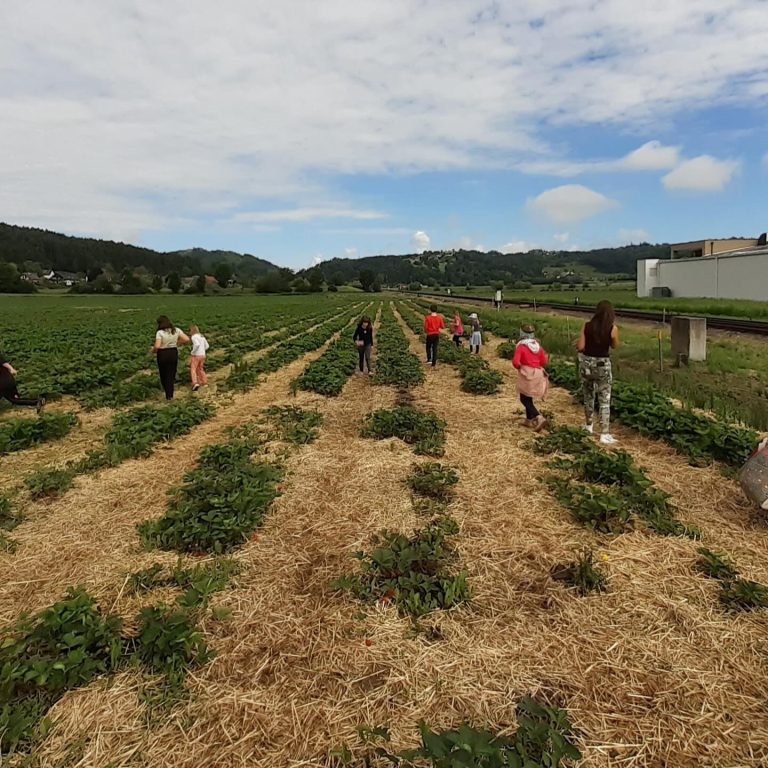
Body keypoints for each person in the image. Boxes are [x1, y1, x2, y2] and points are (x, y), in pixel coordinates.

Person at [577, 300, 620, 445]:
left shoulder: (587, 326)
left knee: (588, 396)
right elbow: (614, 345)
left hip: (587, 365)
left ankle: (588, 426)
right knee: (604, 399)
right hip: (603, 366)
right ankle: (604, 433)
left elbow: (580, 346)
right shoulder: (612, 328)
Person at [512, 324, 548, 431]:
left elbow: (515, 362)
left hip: (527, 373)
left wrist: (520, 367)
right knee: (529, 396)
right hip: (538, 373)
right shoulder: (538, 346)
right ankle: (529, 420)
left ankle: (539, 417)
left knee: (524, 398)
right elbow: (544, 362)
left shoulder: (522, 346)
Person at [151, 316, 189, 400]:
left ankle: (167, 393)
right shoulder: (176, 330)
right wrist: (177, 343)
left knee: (163, 373)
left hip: (163, 353)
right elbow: (186, 339)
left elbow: (157, 346)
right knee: (171, 373)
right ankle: (170, 395)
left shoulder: (160, 332)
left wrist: (152, 350)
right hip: (173, 352)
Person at [189, 325, 209, 392]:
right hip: (203, 355)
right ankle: (204, 382)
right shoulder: (202, 336)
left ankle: (195, 383)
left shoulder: (194, 337)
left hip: (196, 355)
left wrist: (193, 352)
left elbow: (196, 345)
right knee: (200, 368)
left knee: (193, 369)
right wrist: (202, 350)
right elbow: (207, 346)